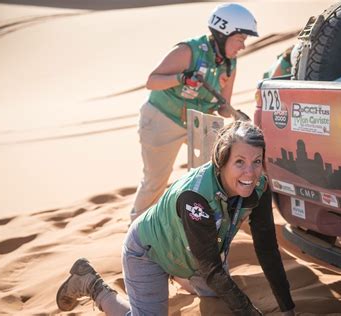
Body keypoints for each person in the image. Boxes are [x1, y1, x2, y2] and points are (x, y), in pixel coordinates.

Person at [56, 121, 296, 315]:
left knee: (222, 302)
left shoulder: (259, 185)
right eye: (239, 162)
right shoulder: (196, 198)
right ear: (221, 162)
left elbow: (266, 247)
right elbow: (211, 270)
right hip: (149, 251)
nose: (250, 173)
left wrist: (288, 308)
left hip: (196, 252)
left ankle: (178, 274)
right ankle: (91, 283)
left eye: (256, 161)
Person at [130, 3, 259, 221]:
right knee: (155, 181)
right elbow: (152, 82)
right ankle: (136, 232)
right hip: (163, 120)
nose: (242, 46)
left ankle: (210, 221)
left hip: (198, 122)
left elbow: (223, 105)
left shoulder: (229, 63)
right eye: (240, 39)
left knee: (216, 170)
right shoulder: (188, 51)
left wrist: (234, 113)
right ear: (223, 33)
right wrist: (181, 78)